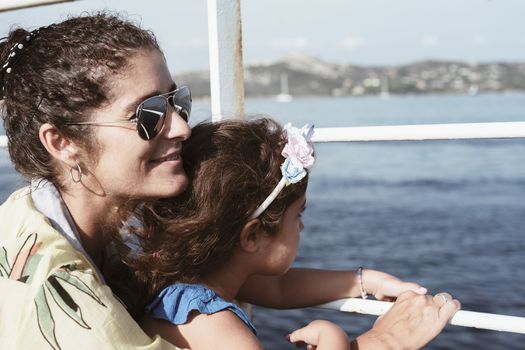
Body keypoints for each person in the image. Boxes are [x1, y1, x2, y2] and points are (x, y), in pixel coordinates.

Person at [0, 11, 459, 350]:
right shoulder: (71, 309)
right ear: (61, 142)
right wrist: (379, 344)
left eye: (177, 101)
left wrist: (358, 281)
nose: (180, 126)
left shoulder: (99, 231)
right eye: (149, 115)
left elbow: (257, 285)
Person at [124, 118, 460, 350]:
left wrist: (364, 281)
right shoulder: (216, 327)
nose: (301, 226)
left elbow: (281, 288)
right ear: (252, 236)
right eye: (297, 214)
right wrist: (368, 342)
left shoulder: (189, 279)